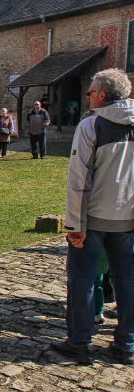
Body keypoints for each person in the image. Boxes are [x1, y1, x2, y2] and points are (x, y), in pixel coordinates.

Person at [56, 68, 134, 365]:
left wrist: (75, 225)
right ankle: (126, 343)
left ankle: (79, 341)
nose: (88, 96)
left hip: (96, 216)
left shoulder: (92, 126)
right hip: (127, 217)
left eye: (90, 92)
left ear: (101, 95)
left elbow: (79, 180)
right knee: (127, 281)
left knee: (82, 279)